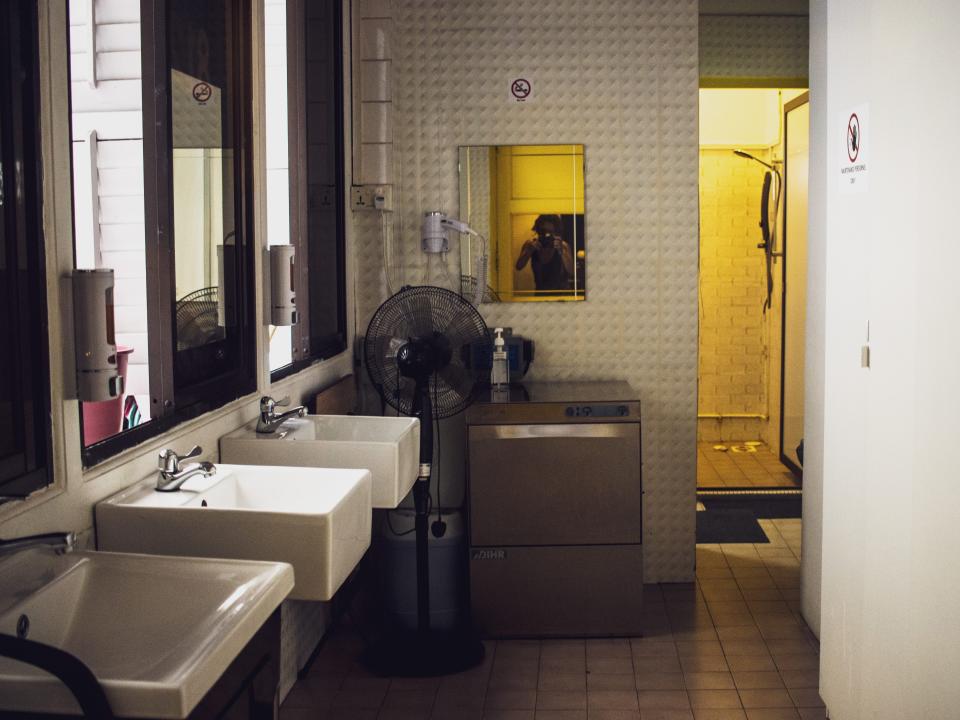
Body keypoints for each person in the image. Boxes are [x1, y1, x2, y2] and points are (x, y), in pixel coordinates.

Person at [515, 214, 574, 292]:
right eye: (543, 231)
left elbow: (572, 272)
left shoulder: (563, 245)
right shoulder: (531, 244)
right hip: (540, 294)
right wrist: (529, 251)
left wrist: (562, 252)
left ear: (556, 232)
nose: (546, 235)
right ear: (538, 230)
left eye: (550, 232)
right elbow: (518, 266)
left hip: (561, 295)